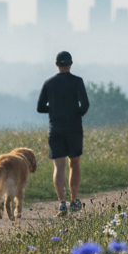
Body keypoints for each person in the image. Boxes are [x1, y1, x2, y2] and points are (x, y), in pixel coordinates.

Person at [36, 50, 89, 214]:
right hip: (74, 128)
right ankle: (74, 200)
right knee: (75, 164)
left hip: (56, 128)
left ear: (57, 64)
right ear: (71, 64)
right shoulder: (77, 81)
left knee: (59, 167)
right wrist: (74, 112)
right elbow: (85, 104)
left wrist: (55, 109)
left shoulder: (49, 83)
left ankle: (62, 202)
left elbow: (40, 107)